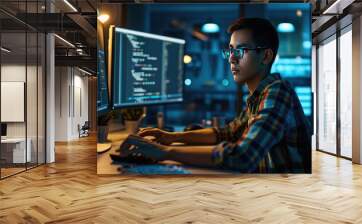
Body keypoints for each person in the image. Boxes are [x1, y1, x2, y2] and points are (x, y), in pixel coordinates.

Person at [120, 17, 312, 173]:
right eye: (230, 50)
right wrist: (169, 136)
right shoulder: (259, 96)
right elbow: (225, 133)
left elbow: (242, 157)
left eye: (241, 50)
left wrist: (164, 152)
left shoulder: (278, 93)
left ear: (266, 56)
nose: (231, 58)